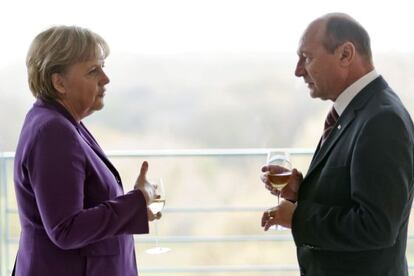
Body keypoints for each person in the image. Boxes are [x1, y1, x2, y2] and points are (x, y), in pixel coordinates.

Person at [261, 13, 414, 275]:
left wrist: (298, 219)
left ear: (345, 54)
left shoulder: (382, 120)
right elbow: (351, 192)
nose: (298, 70)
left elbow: (376, 226)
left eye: (307, 58)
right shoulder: (358, 110)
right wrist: (302, 191)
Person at [13, 25, 160, 276]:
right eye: (93, 71)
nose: (105, 78)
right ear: (59, 82)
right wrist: (136, 201)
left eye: (103, 67)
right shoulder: (53, 131)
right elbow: (65, 228)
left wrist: (134, 209)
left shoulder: (62, 123)